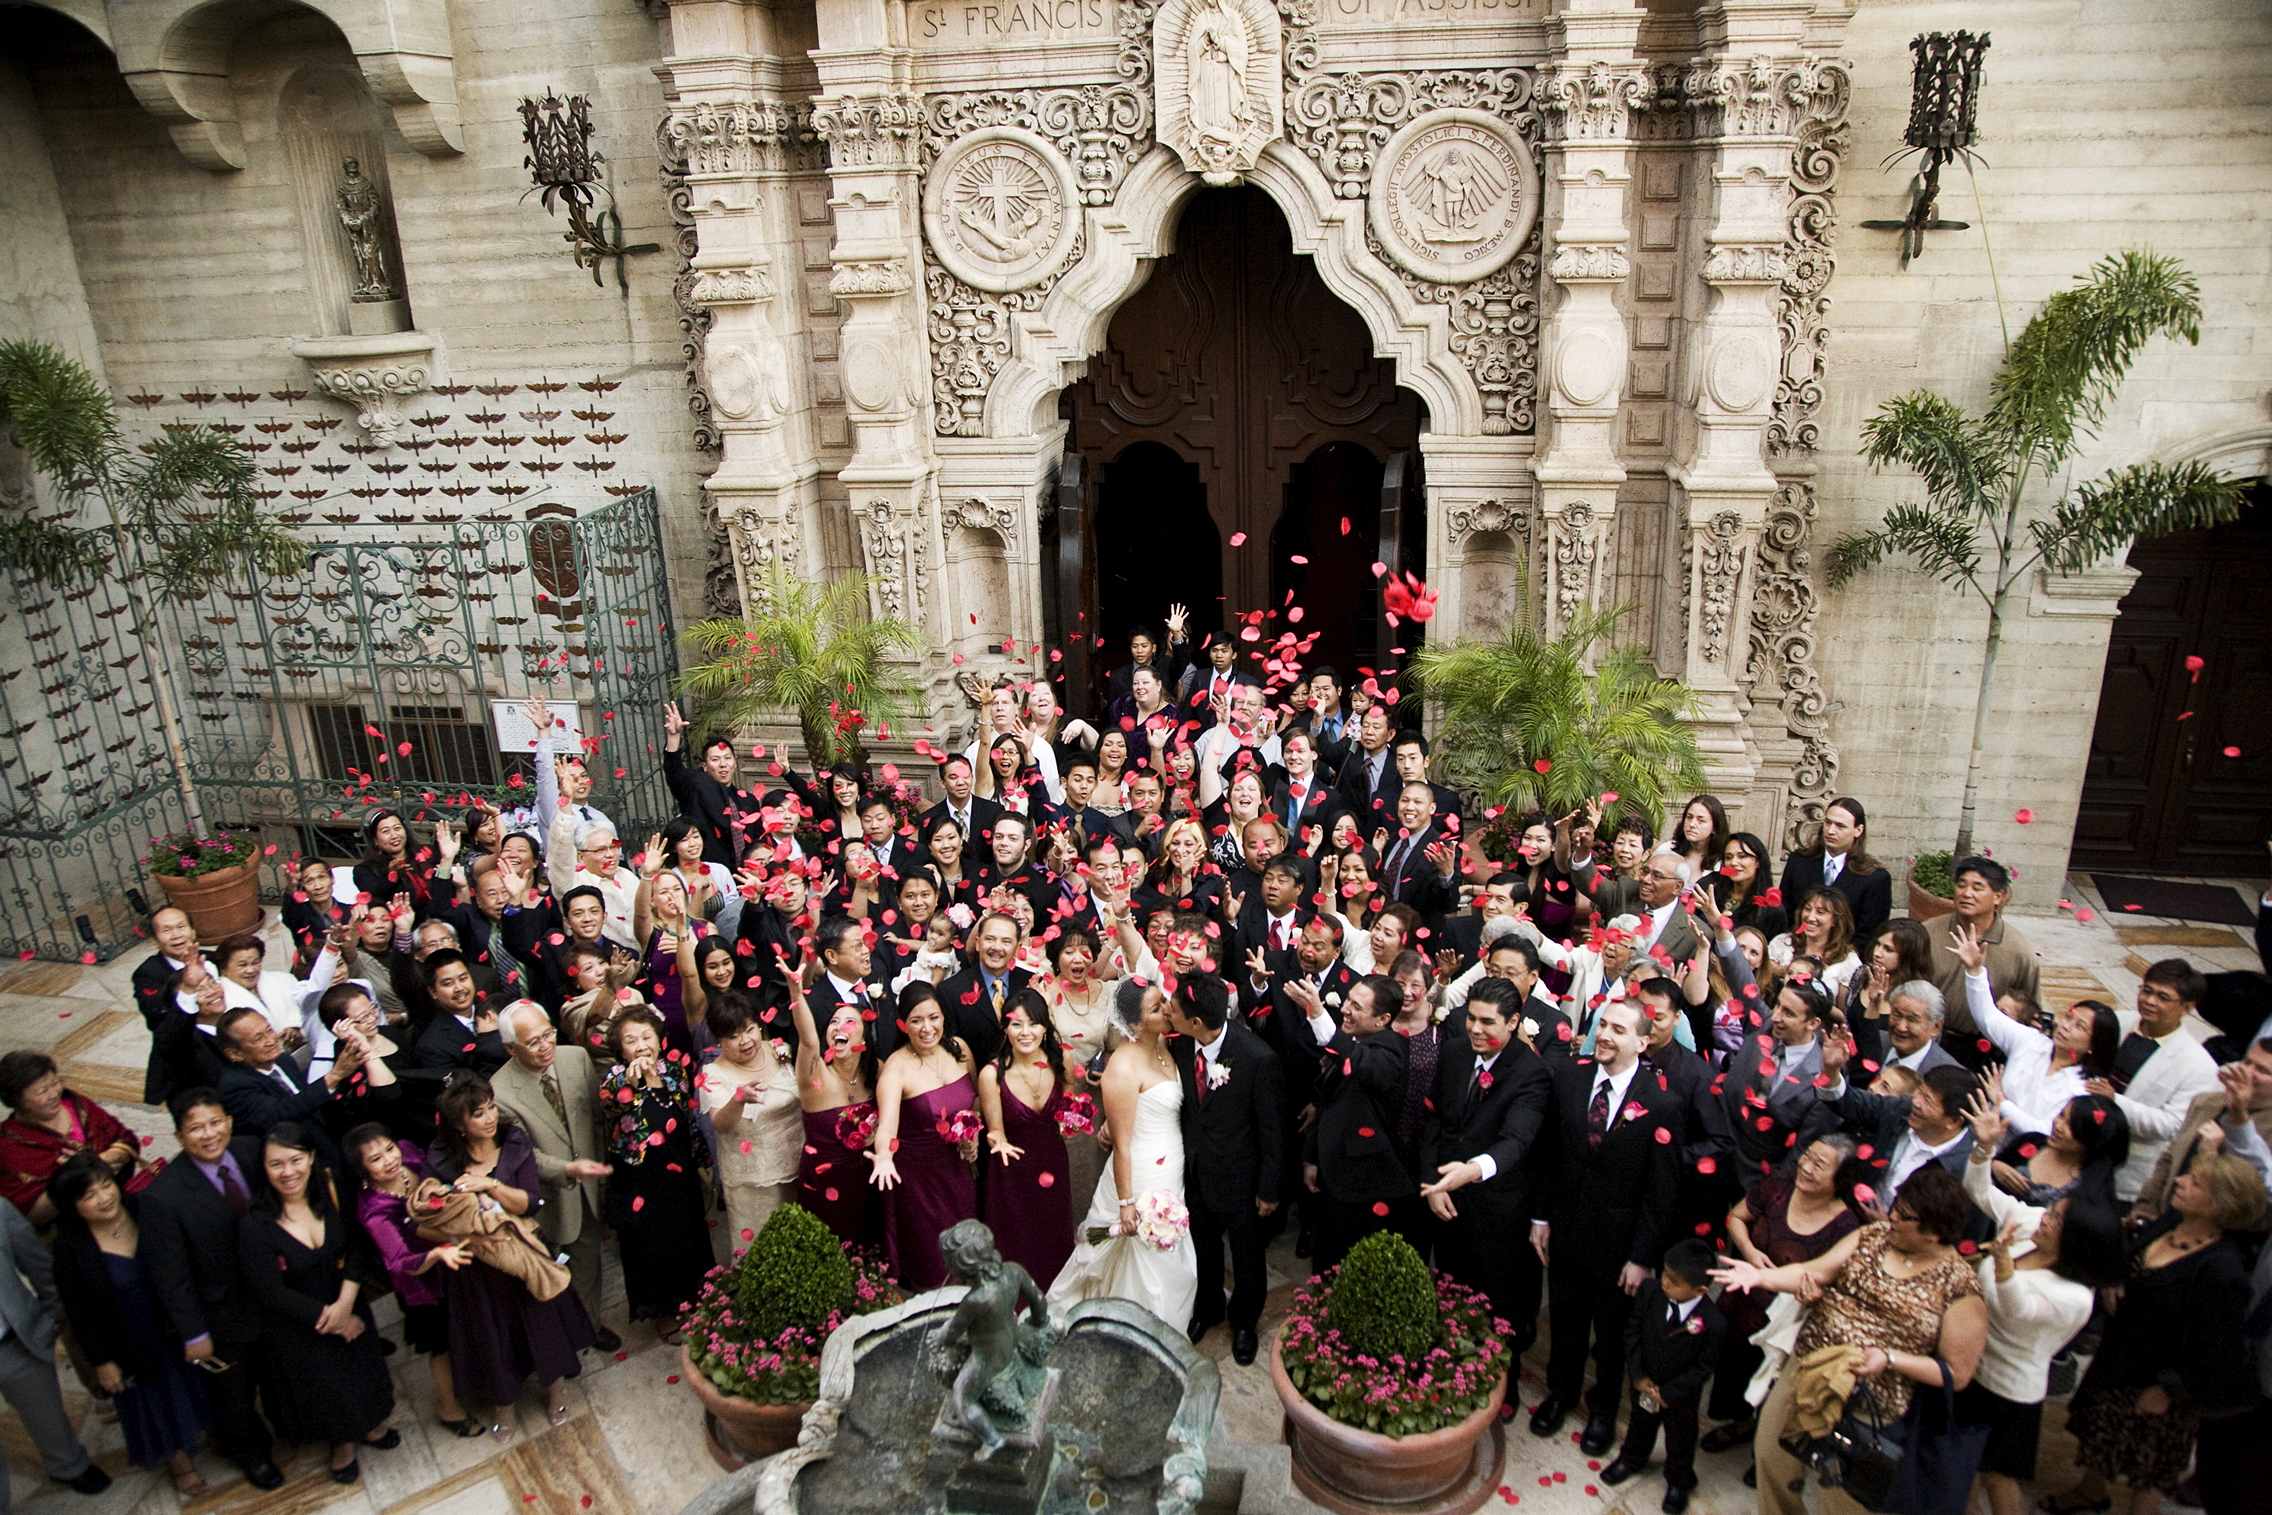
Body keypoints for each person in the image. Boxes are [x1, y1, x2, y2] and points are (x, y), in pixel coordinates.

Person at [1721, 1164, 1990, 1515]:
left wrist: (1889, 1359)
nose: (1890, 1216)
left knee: (1841, 1493)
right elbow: (1815, 1271)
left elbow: (1957, 1372)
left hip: (1869, 1399)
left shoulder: (1959, 1287)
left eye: (1904, 1216)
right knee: (1772, 1456)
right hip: (1810, 1369)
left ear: (1934, 1232)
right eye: (1896, 1206)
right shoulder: (1873, 1237)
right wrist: (1760, 1277)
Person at [2051, 1153, 2263, 1515]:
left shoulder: (2221, 1271)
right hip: (2121, 1358)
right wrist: (2114, 1280)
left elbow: (2217, 1350)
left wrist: (2170, 1388)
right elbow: (2131, 1259)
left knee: (2149, 1464)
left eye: (2196, 1183)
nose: (2180, 1181)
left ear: (2219, 1206)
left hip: (2162, 1382)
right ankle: (2091, 1492)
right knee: (2102, 1435)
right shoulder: (2170, 1222)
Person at [1957, 1092, 2129, 1515]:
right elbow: (1982, 1194)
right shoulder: (2032, 1224)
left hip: (2008, 1389)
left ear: (2074, 1240)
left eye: (2055, 1219)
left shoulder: (2074, 1297)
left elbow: (2019, 1311)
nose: (2045, 1216)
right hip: (1973, 1362)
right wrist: (1983, 1149)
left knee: (1997, 1476)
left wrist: (2000, 1263)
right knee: (1960, 1465)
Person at [1530, 1000, 1683, 1453]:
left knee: (1612, 1335)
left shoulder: (1662, 1103)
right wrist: (1541, 1217)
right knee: (1565, 1319)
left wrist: (1642, 1257)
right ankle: (1560, 1393)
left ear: (1642, 1041)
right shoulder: (1571, 1079)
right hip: (1566, 1228)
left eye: (1618, 1029)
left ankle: (1601, 1409)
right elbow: (1549, 1153)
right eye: (1602, 1025)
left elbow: (1662, 1192)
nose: (1605, 1035)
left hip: (1619, 1245)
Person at [425, 1073, 594, 1437]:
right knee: (493, 1334)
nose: (489, 1118)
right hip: (478, 1264)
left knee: (542, 1324)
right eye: (478, 1114)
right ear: (459, 1124)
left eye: (490, 1108)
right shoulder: (441, 1157)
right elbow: (429, 1215)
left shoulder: (514, 1140)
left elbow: (530, 1203)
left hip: (524, 1250)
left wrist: (491, 1184)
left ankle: (556, 1390)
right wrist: (464, 1233)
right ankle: (505, 1403)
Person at [136, 1091, 282, 1490]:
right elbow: (171, 1277)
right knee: (233, 1393)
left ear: (229, 1122)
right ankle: (250, 1453)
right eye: (196, 1128)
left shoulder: (255, 1152)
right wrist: (194, 1333)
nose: (209, 1134)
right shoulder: (162, 1197)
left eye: (215, 1122)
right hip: (223, 1309)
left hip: (277, 1291)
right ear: (180, 1136)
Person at [239, 1122, 399, 1483]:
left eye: (295, 1160)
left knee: (363, 1372)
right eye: (275, 1164)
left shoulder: (330, 1191)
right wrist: (333, 1319)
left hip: (347, 1298)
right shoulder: (255, 1225)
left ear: (310, 1158)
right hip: (300, 1322)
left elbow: (355, 1245)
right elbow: (270, 1291)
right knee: (326, 1387)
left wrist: (346, 1302)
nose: (288, 1171)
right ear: (263, 1169)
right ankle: (341, 1443)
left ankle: (369, 1426)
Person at [43, 1154, 207, 1494]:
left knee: (193, 1380)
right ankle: (179, 1461)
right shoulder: (70, 1247)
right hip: (128, 1334)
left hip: (174, 1319)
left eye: (106, 1184)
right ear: (72, 1206)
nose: (105, 1197)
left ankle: (208, 1429)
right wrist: (102, 1361)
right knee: (152, 1397)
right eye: (89, 1195)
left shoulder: (145, 1208)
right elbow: (80, 1311)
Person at [1702, 1134, 1867, 1457]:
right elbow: (1737, 1217)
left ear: (1841, 1178)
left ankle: (1764, 1445)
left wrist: (1812, 1294)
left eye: (1819, 1165)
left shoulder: (1846, 1227)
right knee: (1733, 1369)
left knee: (1775, 1386)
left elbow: (1835, 1284)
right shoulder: (1779, 1186)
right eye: (1807, 1157)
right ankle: (1739, 1422)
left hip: (1787, 1320)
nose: (1805, 1167)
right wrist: (1749, 1252)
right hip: (1743, 1299)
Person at [1047, 978, 1198, 1325]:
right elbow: (1122, 1144)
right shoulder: (1123, 1066)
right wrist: (1127, 1204)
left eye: (1163, 1002)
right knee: (1140, 1260)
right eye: (1156, 1008)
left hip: (1172, 1165)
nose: (1166, 1010)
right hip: (1139, 1171)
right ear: (1134, 1023)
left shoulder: (1166, 1044)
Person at [1418, 978, 1553, 1362]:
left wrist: (1472, 1171)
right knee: (1450, 1289)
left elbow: (1517, 1140)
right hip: (1448, 1203)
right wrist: (1435, 1181)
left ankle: (1500, 1381)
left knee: (1500, 1306)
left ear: (1513, 1023)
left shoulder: (1531, 1074)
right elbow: (1435, 1122)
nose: (1476, 1029)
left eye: (1488, 1022)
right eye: (1471, 1019)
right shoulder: (1455, 1053)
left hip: (1498, 1214)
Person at [1164, 971, 1282, 1366]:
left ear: (1197, 1021)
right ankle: (1209, 1306)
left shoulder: (1257, 1058)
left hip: (1241, 1178)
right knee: (1203, 1247)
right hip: (1196, 1171)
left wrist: (1268, 1189)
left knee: (1247, 1255)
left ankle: (1245, 1321)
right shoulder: (1181, 1047)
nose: (1168, 1012)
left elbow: (1272, 1130)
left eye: (1174, 1009)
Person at [488, 1001, 619, 1352]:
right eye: (533, 1042)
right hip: (547, 1195)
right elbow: (522, 1154)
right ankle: (557, 1339)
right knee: (550, 1275)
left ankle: (588, 1328)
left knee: (588, 1263)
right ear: (510, 1048)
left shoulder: (575, 1058)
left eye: (548, 1035)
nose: (546, 1046)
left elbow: (595, 1118)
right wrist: (566, 1170)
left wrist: (601, 1171)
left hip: (590, 1185)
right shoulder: (500, 1093)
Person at [345, 1124, 484, 1439]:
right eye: (376, 1159)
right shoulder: (374, 1212)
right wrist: (438, 1254)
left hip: (457, 1254)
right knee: (441, 1344)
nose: (390, 1160)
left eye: (389, 1149)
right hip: (424, 1279)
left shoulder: (409, 1151)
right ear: (362, 1170)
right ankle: (449, 1407)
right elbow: (398, 1262)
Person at [599, 1007, 713, 1339]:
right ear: (621, 1049)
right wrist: (630, 1081)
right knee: (652, 1246)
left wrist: (703, 1161)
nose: (641, 1045)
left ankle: (695, 1299)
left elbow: (689, 1120)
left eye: (647, 1036)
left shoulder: (675, 1071)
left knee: (688, 1235)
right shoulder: (615, 1079)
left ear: (660, 1040)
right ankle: (664, 1313)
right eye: (631, 1040)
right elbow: (609, 1104)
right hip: (641, 1181)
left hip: (680, 1172)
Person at [1294, 972, 1414, 1273]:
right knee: (1326, 1264)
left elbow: (1360, 1064)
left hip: (1364, 1186)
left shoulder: (1390, 1050)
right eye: (1348, 1000)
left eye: (1357, 1007)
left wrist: (1320, 1017)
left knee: (1357, 1269)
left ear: (1381, 1019)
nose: (1345, 1009)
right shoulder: (1353, 1039)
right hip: (1332, 1180)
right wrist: (1311, 1157)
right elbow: (1327, 1103)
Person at [868, 984, 981, 1291]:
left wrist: (973, 1138)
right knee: (935, 1263)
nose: (927, 1028)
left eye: (934, 1017)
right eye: (916, 1020)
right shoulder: (896, 1069)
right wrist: (883, 1157)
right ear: (903, 1024)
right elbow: (887, 1129)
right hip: (920, 1183)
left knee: (967, 1255)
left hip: (960, 1174)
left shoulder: (959, 1049)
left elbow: (974, 1103)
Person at [1600, 1238, 1726, 1515]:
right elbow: (1632, 1330)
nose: (1666, 1284)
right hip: (1644, 1381)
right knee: (1640, 1424)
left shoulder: (1713, 1324)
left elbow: (1704, 1367)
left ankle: (1679, 1480)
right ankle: (1632, 1459)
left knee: (1680, 1438)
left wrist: (1669, 1393)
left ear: (1700, 1290)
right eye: (1665, 1275)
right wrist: (1637, 1373)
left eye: (1675, 1282)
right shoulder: (1651, 1291)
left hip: (1678, 1396)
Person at [0, 1187, 111, 1499]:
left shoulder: (0, 1210)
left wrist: (56, 1312)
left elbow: (36, 1263)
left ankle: (68, 1465)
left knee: (46, 1412)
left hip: (15, 1341)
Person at [2094, 958, 2223, 1203]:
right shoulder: (2117, 1021)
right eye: (2147, 991)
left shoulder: (2198, 1065)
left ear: (2187, 1008)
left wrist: (2114, 1101)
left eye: (2163, 997)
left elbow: (2173, 1125)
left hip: (2125, 1170)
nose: (2150, 1001)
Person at [977, 988, 1078, 1292]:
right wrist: (998, 1142)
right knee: (1016, 1240)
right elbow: (995, 1130)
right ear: (1005, 1029)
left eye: (1033, 1023)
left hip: (1052, 1159)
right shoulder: (991, 1075)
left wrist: (1072, 1120)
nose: (1025, 1032)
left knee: (1054, 1234)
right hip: (1012, 1169)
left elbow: (1070, 1104)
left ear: (1045, 1027)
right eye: (1016, 1024)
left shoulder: (1063, 1059)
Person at [781, 964, 880, 1248]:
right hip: (823, 1184)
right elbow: (808, 1040)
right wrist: (796, 992)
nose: (839, 1027)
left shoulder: (877, 1071)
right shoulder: (815, 1075)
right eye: (834, 1022)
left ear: (863, 1036)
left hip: (868, 1180)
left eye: (849, 1022)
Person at [700, 993, 803, 1251]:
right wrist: (739, 1099)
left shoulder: (778, 1049)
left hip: (799, 1165)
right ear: (719, 1040)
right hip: (754, 1180)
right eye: (734, 1036)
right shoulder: (712, 1074)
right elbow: (721, 1125)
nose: (745, 1041)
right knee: (763, 1248)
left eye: (749, 1029)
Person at [1716, 977, 1840, 1182]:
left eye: (1788, 1013)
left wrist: (1768, 1196)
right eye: (1778, 1006)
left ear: (1813, 1023)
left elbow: (1801, 1152)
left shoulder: (1823, 1078)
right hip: (1718, 1155)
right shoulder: (1765, 1028)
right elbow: (1740, 976)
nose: (1775, 1017)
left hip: (1758, 1181)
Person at [2131, 1040, 2272, 1217]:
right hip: (2163, 1216)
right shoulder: (2206, 1102)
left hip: (2212, 1231)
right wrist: (2147, 1204)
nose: (2247, 1072)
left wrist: (2212, 1155)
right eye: (2247, 1062)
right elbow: (2170, 1157)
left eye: (2262, 1070)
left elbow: (2252, 1196)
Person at [0, 1051, 138, 1223]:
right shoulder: (9, 1146)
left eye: (55, 1083)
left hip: (122, 1202)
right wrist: (74, 1177)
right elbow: (31, 1214)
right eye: (43, 1091)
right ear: (17, 1100)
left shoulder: (75, 1103)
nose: (54, 1093)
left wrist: (115, 1155)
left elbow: (124, 1138)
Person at [1924, 859, 2041, 1056]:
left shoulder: (2018, 951)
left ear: (1998, 897)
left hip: (1985, 1048)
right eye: (1961, 885)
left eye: (1977, 887)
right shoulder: (1927, 932)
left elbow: (2032, 1009)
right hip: (1930, 1039)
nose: (1966, 893)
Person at [1776, 797, 1891, 951]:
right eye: (1828, 822)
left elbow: (1869, 934)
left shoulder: (1875, 878)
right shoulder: (1799, 862)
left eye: (1840, 826)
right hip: (1796, 951)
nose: (1830, 831)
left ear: (1858, 830)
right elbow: (1785, 912)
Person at [1768, 887, 1861, 1000]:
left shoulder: (1848, 961)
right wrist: (1781, 971)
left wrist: (1815, 997)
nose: (1811, 917)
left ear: (1835, 920)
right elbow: (1763, 983)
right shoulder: (1782, 943)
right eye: (1807, 909)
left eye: (1820, 912)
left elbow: (1844, 1015)